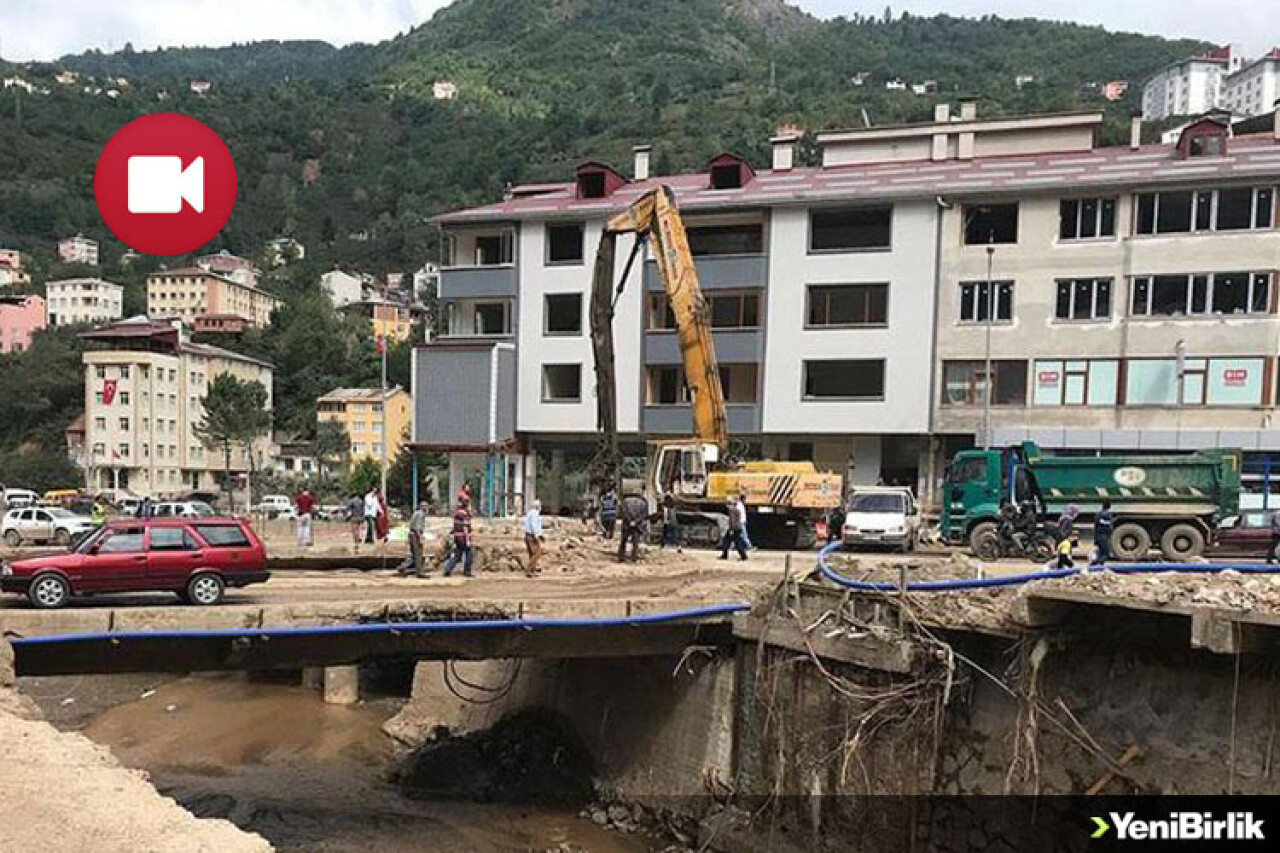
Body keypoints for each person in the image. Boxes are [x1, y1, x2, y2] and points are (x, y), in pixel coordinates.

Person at [442, 498, 474, 577]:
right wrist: (468, 541)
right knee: (469, 553)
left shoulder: (457, 514)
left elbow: (455, 527)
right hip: (463, 537)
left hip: (457, 537)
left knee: (457, 555)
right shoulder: (465, 515)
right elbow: (465, 528)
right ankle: (467, 571)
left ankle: (447, 569)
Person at [399, 501, 429, 577]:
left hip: (411, 534)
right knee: (418, 554)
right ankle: (420, 573)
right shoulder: (421, 514)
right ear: (422, 507)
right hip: (415, 535)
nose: (427, 508)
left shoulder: (416, 513)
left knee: (413, 554)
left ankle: (402, 567)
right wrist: (420, 538)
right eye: (426, 506)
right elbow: (417, 528)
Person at [618, 490, 648, 563]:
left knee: (623, 541)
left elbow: (624, 512)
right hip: (637, 525)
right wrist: (636, 521)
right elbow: (644, 515)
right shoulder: (643, 502)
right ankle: (634, 558)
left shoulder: (625, 501)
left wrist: (630, 521)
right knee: (635, 542)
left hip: (627, 524)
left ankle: (621, 557)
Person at [719, 496, 749, 561]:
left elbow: (732, 521)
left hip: (734, 528)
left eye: (727, 504)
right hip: (737, 528)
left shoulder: (732, 510)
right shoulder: (736, 510)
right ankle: (743, 556)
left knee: (727, 542)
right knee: (737, 542)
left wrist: (731, 530)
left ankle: (725, 555)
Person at [523, 500, 544, 576]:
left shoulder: (530, 513)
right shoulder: (535, 514)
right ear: (538, 506)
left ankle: (532, 570)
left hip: (527, 535)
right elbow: (534, 526)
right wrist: (537, 536)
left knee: (532, 554)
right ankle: (529, 570)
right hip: (532, 536)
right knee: (537, 553)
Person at [1094, 499, 1115, 565]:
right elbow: (1106, 524)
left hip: (1100, 535)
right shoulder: (1106, 515)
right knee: (1106, 553)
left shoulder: (1100, 514)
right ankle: (1095, 564)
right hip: (1103, 536)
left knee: (1101, 552)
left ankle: (1098, 566)